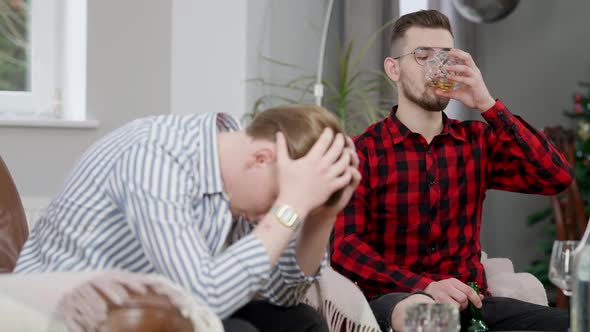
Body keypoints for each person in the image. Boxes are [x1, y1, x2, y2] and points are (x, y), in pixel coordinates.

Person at [15, 104, 361, 332]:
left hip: (156, 304)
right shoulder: (153, 156)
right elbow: (203, 296)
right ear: (261, 158)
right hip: (61, 310)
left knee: (300, 322)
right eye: (277, 198)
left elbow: (281, 294)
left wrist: (322, 215)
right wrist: (291, 205)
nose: (275, 212)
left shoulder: (235, 181)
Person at [330, 9, 572, 332]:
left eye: (446, 56)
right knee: (430, 320)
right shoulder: (363, 152)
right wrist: (425, 285)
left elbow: (556, 176)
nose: (437, 66)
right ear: (394, 69)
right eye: (422, 55)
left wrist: (487, 104)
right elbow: (345, 248)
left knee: (574, 323)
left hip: (473, 307)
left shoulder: (476, 141)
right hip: (399, 301)